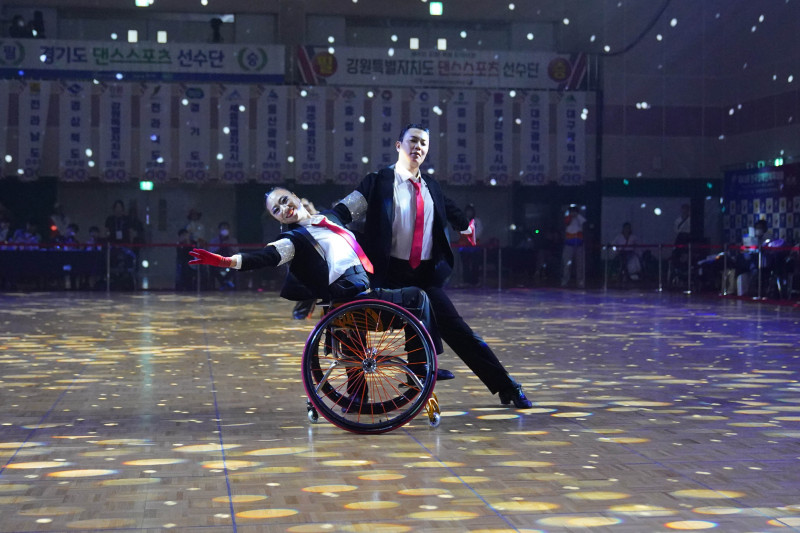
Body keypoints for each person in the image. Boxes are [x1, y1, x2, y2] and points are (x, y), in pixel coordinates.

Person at [331, 123, 532, 408]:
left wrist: (466, 227)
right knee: (357, 324)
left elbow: (453, 212)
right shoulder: (377, 182)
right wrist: (323, 223)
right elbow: (346, 209)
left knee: (460, 332)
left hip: (424, 276)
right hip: (386, 274)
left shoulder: (431, 187)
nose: (418, 147)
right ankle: (357, 394)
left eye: (424, 143)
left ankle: (506, 385)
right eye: (412, 140)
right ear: (399, 145)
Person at [189, 187, 453, 384]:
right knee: (418, 298)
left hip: (364, 292)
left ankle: (368, 393)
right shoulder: (293, 239)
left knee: (413, 298)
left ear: (294, 196)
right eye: (276, 210)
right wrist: (225, 261)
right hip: (349, 298)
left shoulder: (330, 218)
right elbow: (265, 257)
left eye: (284, 200)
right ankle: (421, 367)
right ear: (276, 219)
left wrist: (390, 177)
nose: (284, 208)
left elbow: (360, 197)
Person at [293, 198, 320, 319]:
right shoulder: (299, 224)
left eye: (305, 205)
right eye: (300, 207)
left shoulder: (325, 217)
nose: (304, 208)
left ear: (311, 204)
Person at [208, 221, 239, 290]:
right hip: (217, 261)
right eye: (223, 228)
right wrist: (219, 246)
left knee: (235, 267)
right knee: (212, 268)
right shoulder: (214, 240)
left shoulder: (233, 240)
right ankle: (224, 284)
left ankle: (225, 283)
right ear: (219, 230)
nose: (224, 230)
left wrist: (229, 246)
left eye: (226, 228)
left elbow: (236, 251)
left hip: (230, 260)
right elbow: (211, 251)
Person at [561, 206, 586, 288]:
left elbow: (584, 223)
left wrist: (577, 216)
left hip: (579, 245)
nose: (573, 213)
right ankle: (565, 281)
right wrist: (570, 216)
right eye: (571, 212)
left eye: (574, 211)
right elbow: (566, 223)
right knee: (567, 264)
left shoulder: (580, 218)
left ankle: (580, 282)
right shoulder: (567, 218)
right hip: (569, 245)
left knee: (580, 265)